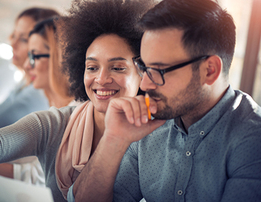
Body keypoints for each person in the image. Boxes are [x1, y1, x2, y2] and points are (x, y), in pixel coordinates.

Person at [0, 0, 153, 201]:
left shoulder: (157, 134)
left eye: (117, 68)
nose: (101, 79)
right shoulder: (55, 123)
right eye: (92, 67)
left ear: (143, 72)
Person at [69, 0, 261, 201]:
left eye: (159, 71)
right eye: (144, 67)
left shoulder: (253, 141)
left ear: (209, 70)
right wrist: (113, 139)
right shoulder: (147, 124)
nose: (144, 85)